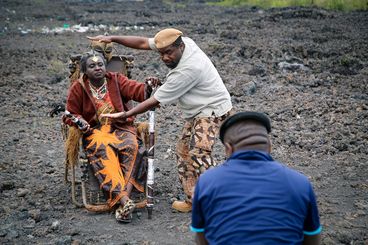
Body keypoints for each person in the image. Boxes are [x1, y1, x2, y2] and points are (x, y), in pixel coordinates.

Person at [88, 28, 233, 213]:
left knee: (199, 154)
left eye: (169, 53)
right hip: (198, 110)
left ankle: (225, 202)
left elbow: (154, 101)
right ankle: (194, 199)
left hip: (212, 109)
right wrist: (112, 38)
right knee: (183, 152)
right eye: (161, 53)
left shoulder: (188, 69)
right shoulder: (180, 41)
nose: (164, 58)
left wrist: (125, 114)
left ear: (181, 46)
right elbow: (142, 43)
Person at [190, 111, 322, 244]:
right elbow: (312, 238)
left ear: (228, 149)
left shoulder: (206, 183)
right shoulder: (300, 183)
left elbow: (202, 238)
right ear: (269, 146)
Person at [63, 51, 159, 222]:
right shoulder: (78, 87)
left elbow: (136, 90)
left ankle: (124, 201)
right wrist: (80, 121)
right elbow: (70, 113)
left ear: (105, 66)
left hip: (121, 127)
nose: (97, 68)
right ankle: (125, 201)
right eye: (92, 66)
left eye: (100, 64)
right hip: (96, 131)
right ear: (84, 70)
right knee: (102, 151)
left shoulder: (115, 79)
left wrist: (148, 86)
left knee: (133, 146)